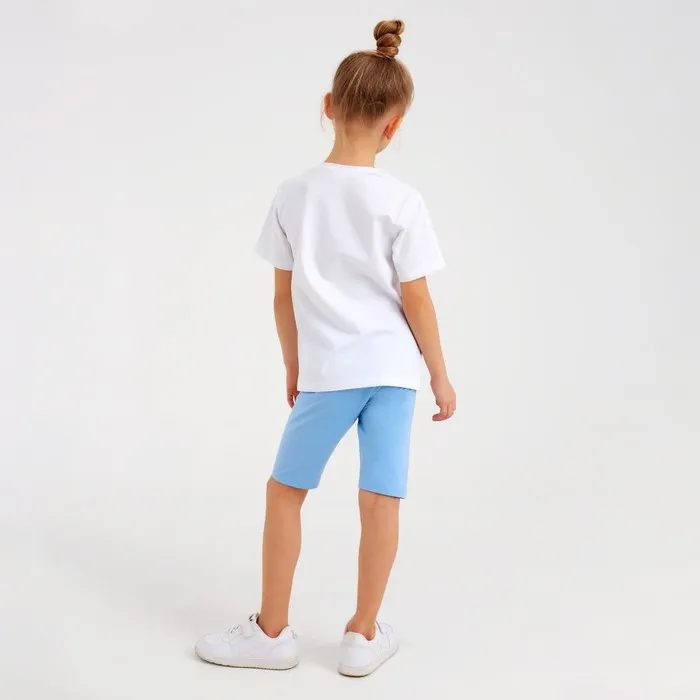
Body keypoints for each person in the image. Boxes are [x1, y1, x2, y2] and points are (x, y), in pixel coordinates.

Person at [195, 19, 456, 677]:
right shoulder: (403, 201)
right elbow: (417, 299)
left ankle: (271, 632)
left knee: (286, 491)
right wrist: (439, 375)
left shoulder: (294, 194)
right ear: (395, 125)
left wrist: (294, 363)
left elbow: (282, 299)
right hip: (393, 371)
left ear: (329, 106)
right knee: (381, 497)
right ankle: (363, 636)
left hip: (330, 372)